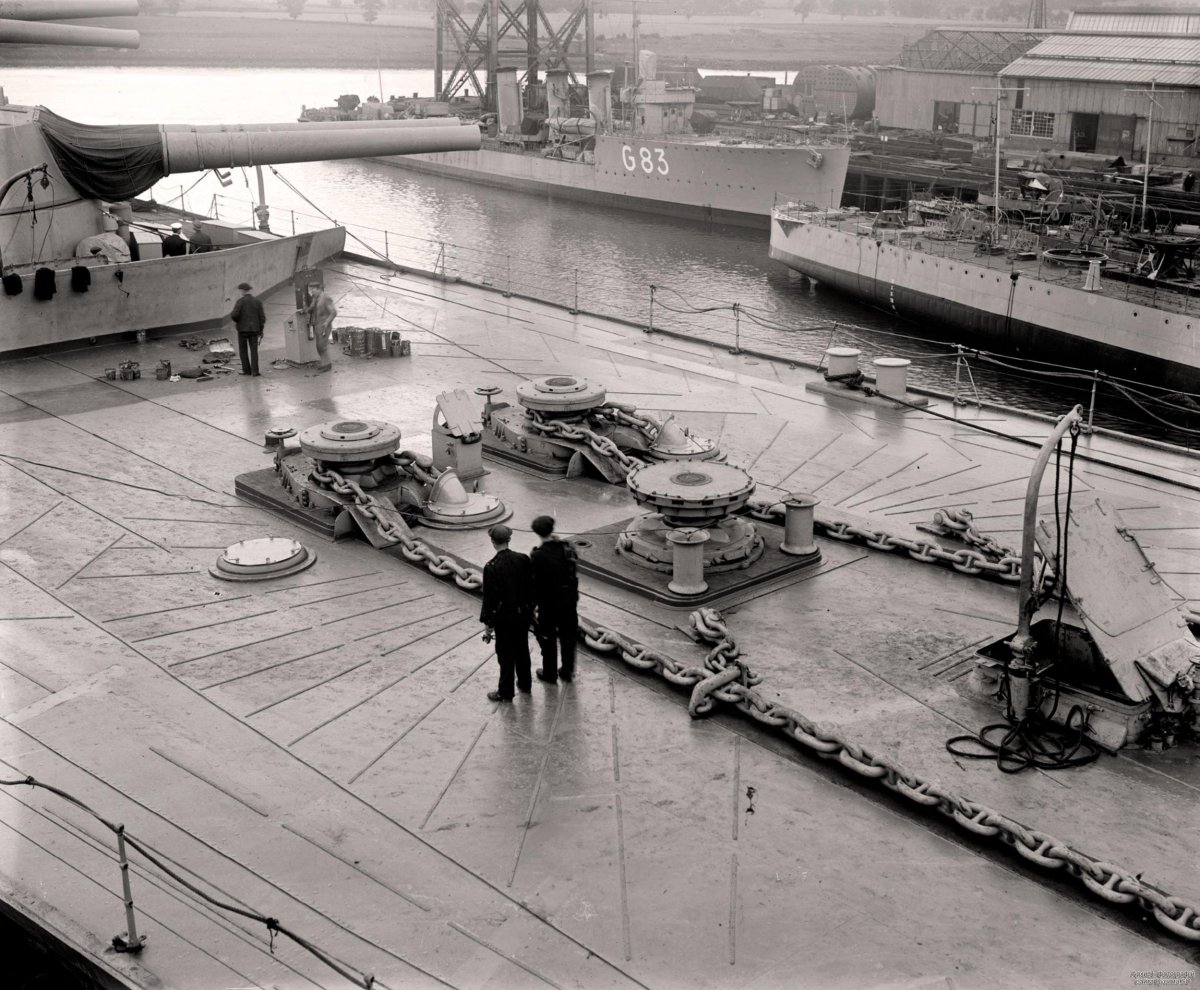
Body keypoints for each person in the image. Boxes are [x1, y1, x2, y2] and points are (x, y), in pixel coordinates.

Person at [479, 523, 534, 702]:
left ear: (493, 542)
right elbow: (531, 588)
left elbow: (490, 600)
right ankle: (525, 684)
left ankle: (505, 692)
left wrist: (488, 626)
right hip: (523, 615)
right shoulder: (523, 559)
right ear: (509, 540)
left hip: (505, 619)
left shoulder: (491, 567)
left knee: (505, 655)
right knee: (522, 649)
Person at [530, 515, 579, 683]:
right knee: (568, 637)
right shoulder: (567, 548)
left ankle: (549, 673)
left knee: (548, 639)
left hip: (548, 605)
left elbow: (534, 583)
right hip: (569, 602)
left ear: (537, 532)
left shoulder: (538, 556)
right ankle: (567, 671)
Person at [230, 282, 266, 376]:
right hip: (254, 330)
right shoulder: (257, 302)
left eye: (240, 290)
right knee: (254, 351)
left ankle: (246, 370)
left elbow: (234, 315)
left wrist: (239, 321)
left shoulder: (240, 301)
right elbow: (262, 318)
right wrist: (261, 330)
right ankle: (255, 371)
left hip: (242, 330)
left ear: (242, 291)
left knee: (243, 350)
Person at [303, 286, 338, 373]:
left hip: (324, 326)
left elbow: (334, 312)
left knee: (322, 346)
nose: (312, 292)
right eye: (311, 290)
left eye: (313, 290)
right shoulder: (316, 299)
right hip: (318, 326)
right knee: (318, 347)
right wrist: (305, 301)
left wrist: (326, 322)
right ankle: (324, 363)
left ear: (319, 289)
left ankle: (327, 364)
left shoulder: (326, 298)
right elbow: (308, 310)